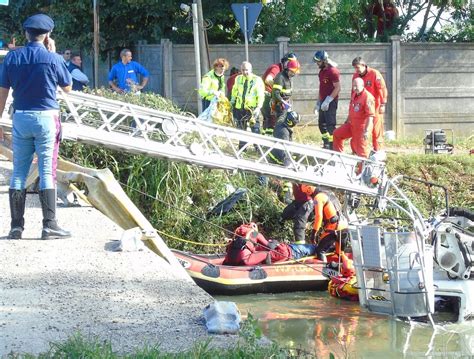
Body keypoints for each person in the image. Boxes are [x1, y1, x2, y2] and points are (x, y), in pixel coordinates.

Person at [0, 13, 73, 240]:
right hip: (46, 119)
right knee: (46, 170)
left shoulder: (12, 58)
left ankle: (16, 227)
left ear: (26, 34)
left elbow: (2, 93)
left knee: (19, 172)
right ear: (47, 35)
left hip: (20, 118)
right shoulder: (53, 58)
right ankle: (49, 225)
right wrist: (53, 52)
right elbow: (68, 87)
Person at [222, 223, 319, 266]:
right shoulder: (254, 233)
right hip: (287, 251)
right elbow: (269, 246)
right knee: (312, 248)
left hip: (233, 259)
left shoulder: (236, 237)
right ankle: (322, 248)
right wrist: (273, 242)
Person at [351, 56, 388, 152]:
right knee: (360, 130)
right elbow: (353, 92)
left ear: (363, 65)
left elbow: (382, 89)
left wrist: (383, 104)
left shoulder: (374, 73)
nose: (356, 70)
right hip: (361, 108)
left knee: (376, 130)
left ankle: (378, 152)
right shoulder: (355, 76)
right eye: (355, 68)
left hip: (375, 107)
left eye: (358, 68)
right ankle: (360, 151)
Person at [333, 78, 375, 158]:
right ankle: (339, 158)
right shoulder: (355, 95)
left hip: (361, 128)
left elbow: (370, 116)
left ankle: (362, 169)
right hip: (352, 125)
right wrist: (346, 121)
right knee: (337, 134)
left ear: (363, 86)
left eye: (356, 86)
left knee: (361, 150)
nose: (355, 88)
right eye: (353, 86)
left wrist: (366, 131)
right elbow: (352, 109)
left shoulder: (368, 97)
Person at [261, 52, 297, 136]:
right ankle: (269, 142)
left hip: (271, 97)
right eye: (289, 62)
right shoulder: (276, 68)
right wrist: (278, 89)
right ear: (284, 61)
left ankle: (264, 141)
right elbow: (268, 79)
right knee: (272, 120)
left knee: (268, 121)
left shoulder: (285, 72)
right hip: (268, 96)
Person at [230, 61, 265, 148]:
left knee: (255, 130)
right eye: (243, 70)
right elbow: (234, 91)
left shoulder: (257, 80)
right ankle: (242, 149)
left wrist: (258, 107)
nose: (245, 72)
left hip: (251, 109)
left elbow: (260, 95)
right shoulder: (238, 78)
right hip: (240, 108)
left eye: (246, 70)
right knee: (241, 130)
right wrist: (232, 103)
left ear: (251, 70)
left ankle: (258, 149)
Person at [313, 50, 341, 150]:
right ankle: (326, 144)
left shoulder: (333, 71)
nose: (317, 63)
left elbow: (337, 88)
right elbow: (321, 88)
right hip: (322, 101)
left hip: (331, 102)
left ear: (324, 61)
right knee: (322, 125)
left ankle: (333, 146)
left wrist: (328, 100)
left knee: (330, 125)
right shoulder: (321, 72)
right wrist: (318, 103)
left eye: (319, 61)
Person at [310, 189, 349, 257]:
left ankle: (322, 267)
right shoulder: (331, 194)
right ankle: (342, 266)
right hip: (344, 226)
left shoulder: (318, 197)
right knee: (339, 253)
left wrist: (314, 233)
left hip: (334, 228)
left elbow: (319, 216)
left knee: (320, 251)